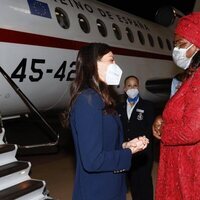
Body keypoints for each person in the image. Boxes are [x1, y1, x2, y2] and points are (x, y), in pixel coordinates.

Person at [68, 43, 149, 200]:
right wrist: (129, 152)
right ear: (93, 64)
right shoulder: (87, 100)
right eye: (111, 60)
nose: (115, 65)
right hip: (98, 191)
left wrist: (126, 145)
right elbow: (93, 161)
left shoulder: (100, 99)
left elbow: (103, 143)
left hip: (110, 185)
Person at [152, 12, 200, 199]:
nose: (176, 51)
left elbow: (191, 130)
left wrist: (164, 130)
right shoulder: (191, 77)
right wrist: (162, 118)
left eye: (181, 45)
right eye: (175, 45)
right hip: (183, 166)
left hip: (190, 171)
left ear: (197, 45)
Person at [116, 75, 155, 200]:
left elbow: (150, 128)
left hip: (143, 153)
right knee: (132, 183)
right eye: (129, 85)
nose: (132, 88)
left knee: (143, 184)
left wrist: (140, 143)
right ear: (124, 88)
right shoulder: (118, 108)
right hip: (126, 152)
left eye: (135, 85)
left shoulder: (148, 106)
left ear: (138, 87)